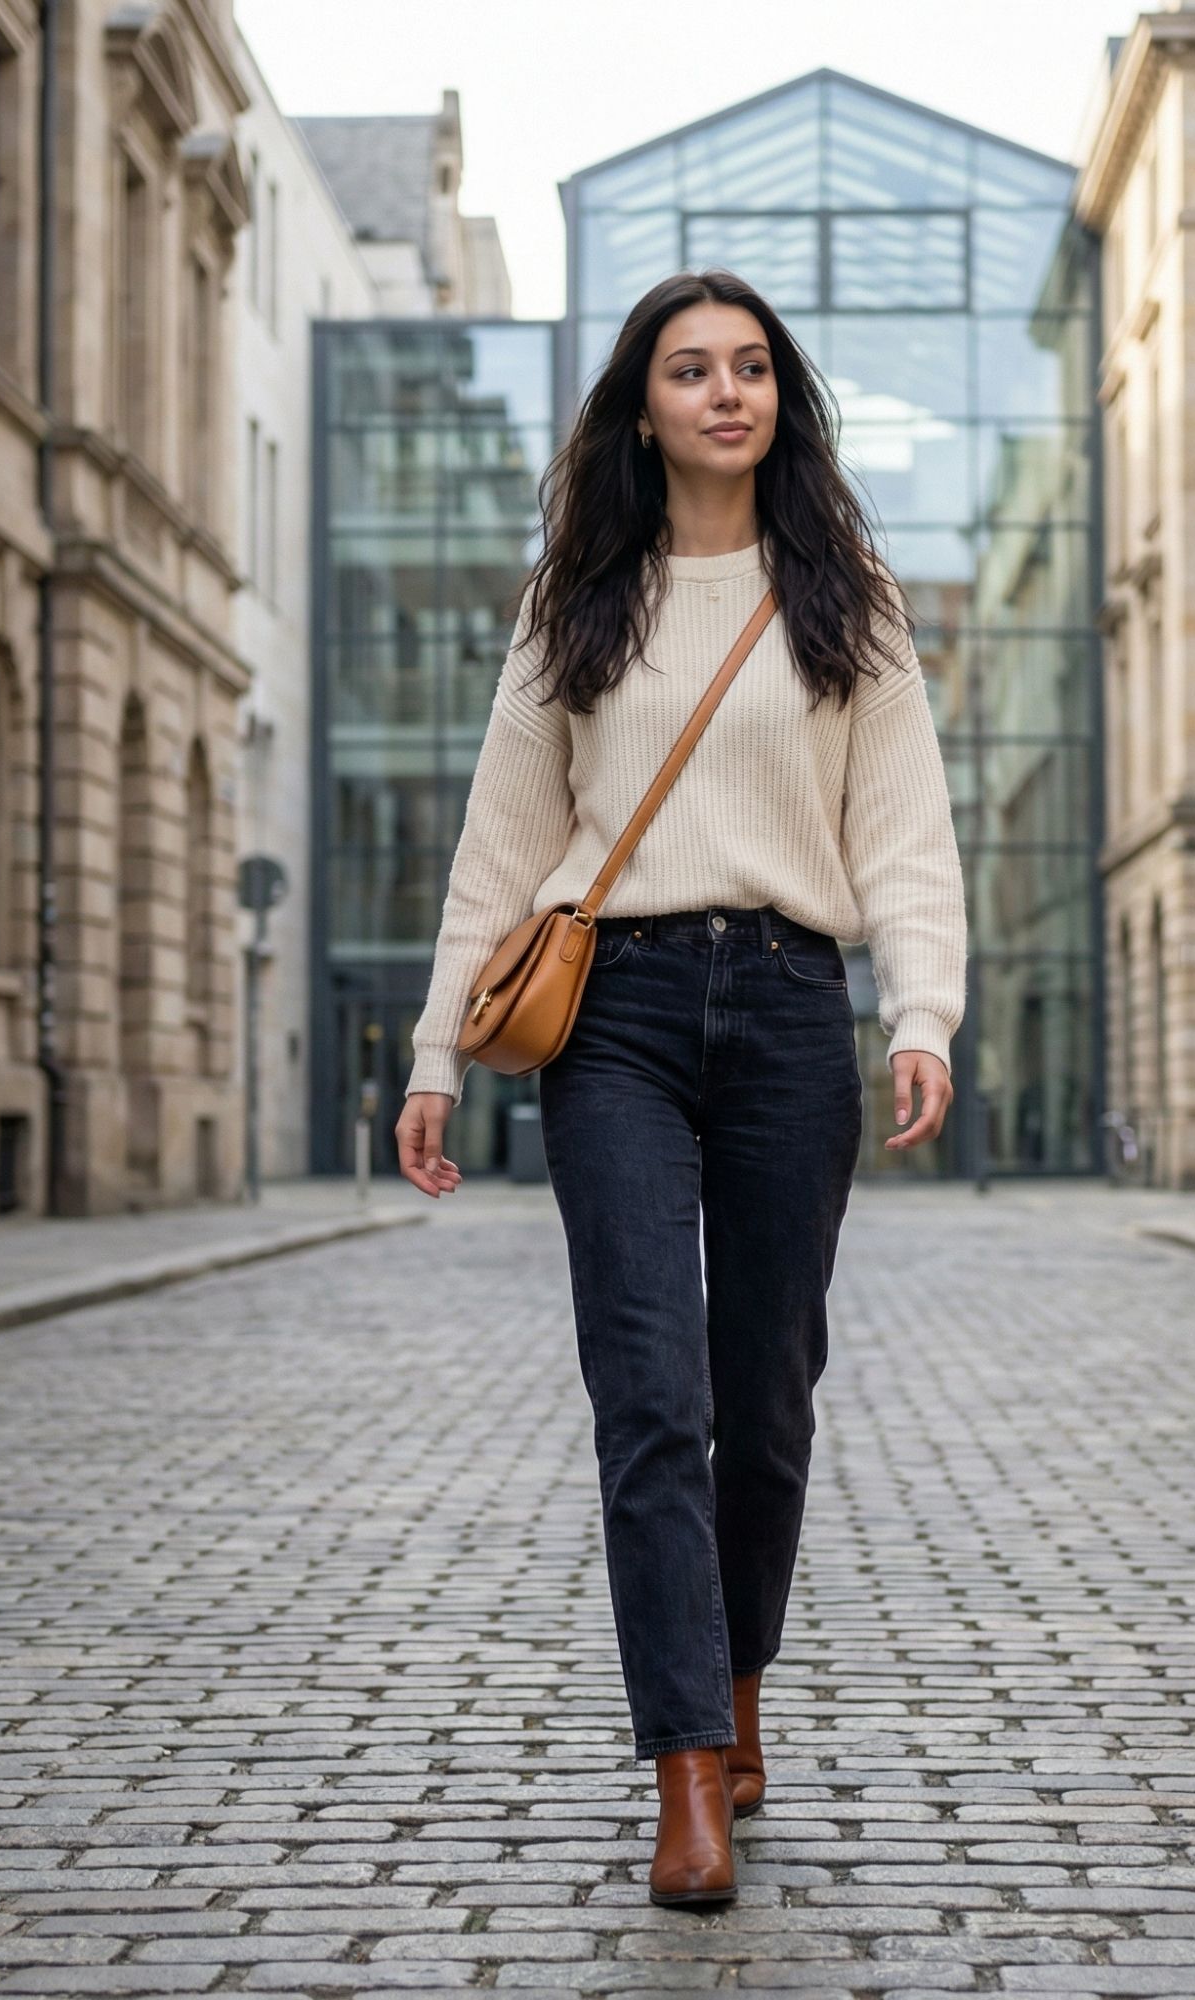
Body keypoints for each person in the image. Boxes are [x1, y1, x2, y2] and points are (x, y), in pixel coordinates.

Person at [393, 268, 967, 1908]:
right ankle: (687, 1775)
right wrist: (436, 1047)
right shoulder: (576, 602)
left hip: (789, 1007)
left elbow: (903, 828)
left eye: (752, 367)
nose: (727, 392)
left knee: (767, 1403)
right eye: (691, 369)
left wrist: (923, 1012)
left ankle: (739, 1685)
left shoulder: (846, 597)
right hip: (616, 1020)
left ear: (782, 399)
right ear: (641, 410)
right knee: (651, 1396)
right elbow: (502, 845)